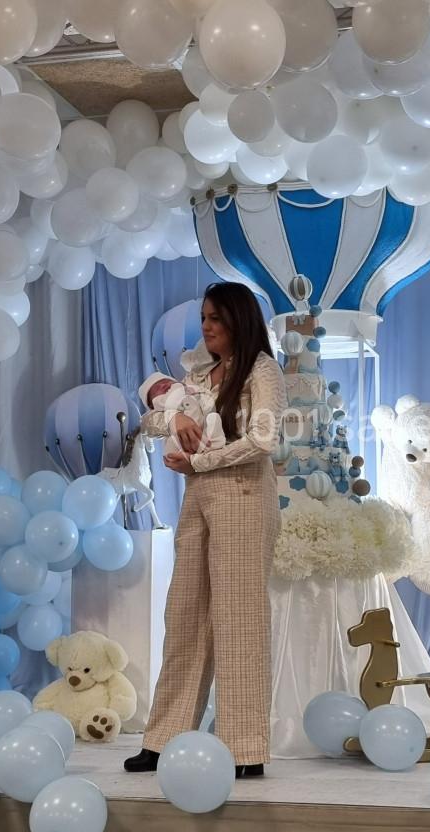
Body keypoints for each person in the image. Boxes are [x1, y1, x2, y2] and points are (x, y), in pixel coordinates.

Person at [124, 283, 287, 778]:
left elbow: (264, 438)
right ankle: (162, 737)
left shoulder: (262, 370)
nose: (207, 326)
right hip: (200, 498)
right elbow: (149, 419)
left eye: (216, 317)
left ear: (239, 319)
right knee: (185, 614)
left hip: (243, 496)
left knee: (238, 620)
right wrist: (176, 422)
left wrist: (203, 459)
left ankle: (244, 747)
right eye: (204, 318)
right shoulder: (197, 373)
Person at [136, 371, 226, 457]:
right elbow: (145, 422)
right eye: (156, 388)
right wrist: (173, 417)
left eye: (167, 381)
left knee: (214, 419)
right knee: (172, 446)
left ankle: (212, 446)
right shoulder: (160, 404)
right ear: (151, 405)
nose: (163, 385)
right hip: (182, 442)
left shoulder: (192, 390)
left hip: (207, 434)